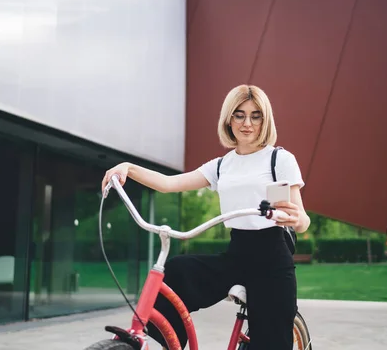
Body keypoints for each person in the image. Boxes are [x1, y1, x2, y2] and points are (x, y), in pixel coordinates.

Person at [101, 84, 310, 349]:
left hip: (272, 262)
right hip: (236, 256)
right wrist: (128, 168)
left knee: (269, 342)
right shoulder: (222, 165)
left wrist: (296, 220)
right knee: (175, 271)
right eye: (239, 114)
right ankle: (163, 343)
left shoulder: (279, 159)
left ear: (265, 120)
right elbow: (168, 183)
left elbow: (302, 220)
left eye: (256, 116)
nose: (247, 123)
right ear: (228, 119)